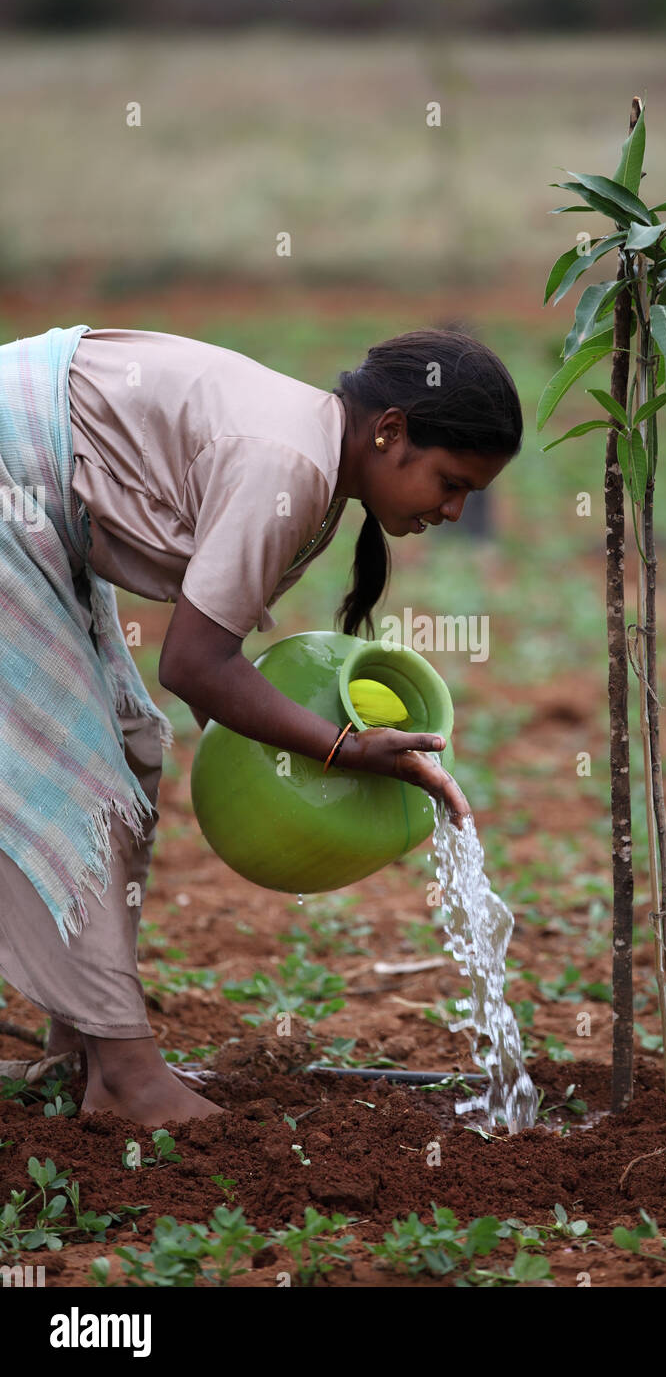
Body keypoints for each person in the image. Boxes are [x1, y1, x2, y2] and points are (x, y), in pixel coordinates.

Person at [0, 323, 523, 1126]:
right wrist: (345, 750)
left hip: (37, 502)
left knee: (128, 752)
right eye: (450, 482)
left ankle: (87, 1052)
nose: (453, 510)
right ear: (390, 432)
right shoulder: (292, 464)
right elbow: (195, 665)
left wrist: (301, 770)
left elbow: (216, 679)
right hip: (14, 478)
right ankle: (127, 1078)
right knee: (80, 785)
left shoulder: (311, 462)